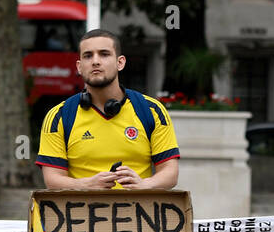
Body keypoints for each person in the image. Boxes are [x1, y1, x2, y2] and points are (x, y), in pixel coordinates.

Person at [35, 29, 179, 190]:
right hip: (80, 213)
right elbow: (52, 180)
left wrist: (144, 184)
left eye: (104, 54)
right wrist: (85, 185)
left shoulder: (152, 110)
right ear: (79, 66)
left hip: (139, 212)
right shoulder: (59, 115)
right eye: (88, 56)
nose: (95, 61)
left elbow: (170, 173)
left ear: (120, 63)